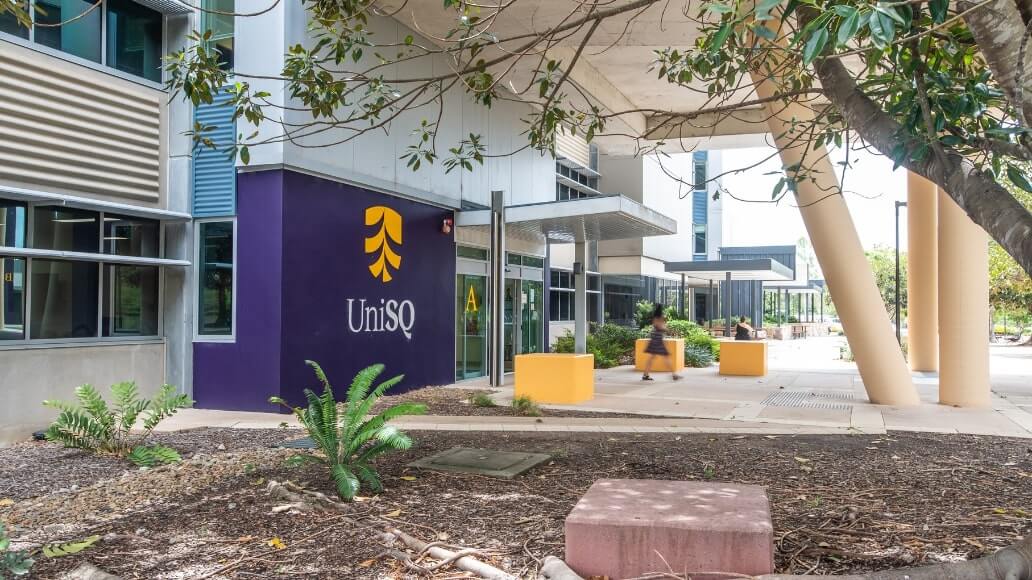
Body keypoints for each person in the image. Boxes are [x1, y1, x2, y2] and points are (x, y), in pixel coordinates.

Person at [642, 304, 682, 381]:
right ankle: (674, 375)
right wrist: (667, 330)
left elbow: (656, 325)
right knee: (665, 356)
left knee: (652, 357)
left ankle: (645, 374)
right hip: (658, 338)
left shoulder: (655, 317)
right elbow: (660, 327)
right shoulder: (660, 317)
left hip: (654, 337)